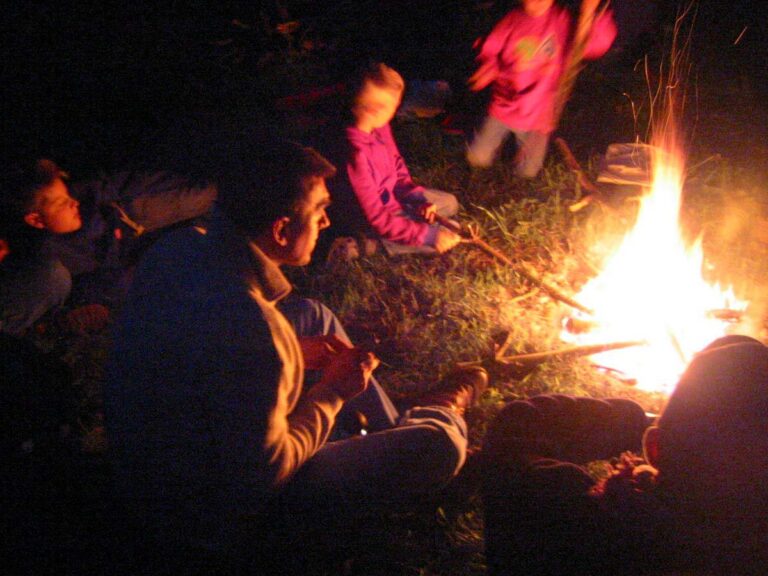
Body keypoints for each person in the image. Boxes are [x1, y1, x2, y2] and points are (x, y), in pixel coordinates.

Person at [104, 140, 487, 571]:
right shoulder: (257, 333)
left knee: (311, 316)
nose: (326, 220)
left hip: (144, 456)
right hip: (209, 515)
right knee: (436, 447)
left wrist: (293, 357)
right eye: (319, 209)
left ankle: (389, 431)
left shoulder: (179, 249)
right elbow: (264, 475)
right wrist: (333, 392)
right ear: (282, 230)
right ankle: (441, 412)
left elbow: (204, 354)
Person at [481, 335, 768, 575]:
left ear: (652, 448)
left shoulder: (575, 517)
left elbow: (518, 427)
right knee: (736, 348)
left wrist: (634, 421)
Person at [0, 159, 216, 336]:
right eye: (62, 203)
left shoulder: (87, 205)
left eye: (68, 196)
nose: (72, 202)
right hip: (118, 264)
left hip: (125, 231)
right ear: (36, 220)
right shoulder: (42, 255)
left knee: (202, 196)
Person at [466, 0, 617, 177]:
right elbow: (490, 49)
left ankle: (517, 163)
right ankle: (491, 148)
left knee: (528, 172)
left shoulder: (562, 21)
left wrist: (590, 12)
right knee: (477, 158)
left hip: (538, 116)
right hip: (505, 106)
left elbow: (594, 45)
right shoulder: (512, 20)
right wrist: (489, 66)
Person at [342, 63, 462, 256]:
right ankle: (368, 245)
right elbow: (377, 217)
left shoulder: (381, 127)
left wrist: (417, 200)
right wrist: (429, 236)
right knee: (446, 232)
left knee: (450, 203)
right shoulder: (355, 155)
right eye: (394, 106)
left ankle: (406, 229)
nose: (396, 111)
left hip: (396, 201)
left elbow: (398, 170)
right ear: (375, 110)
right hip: (371, 218)